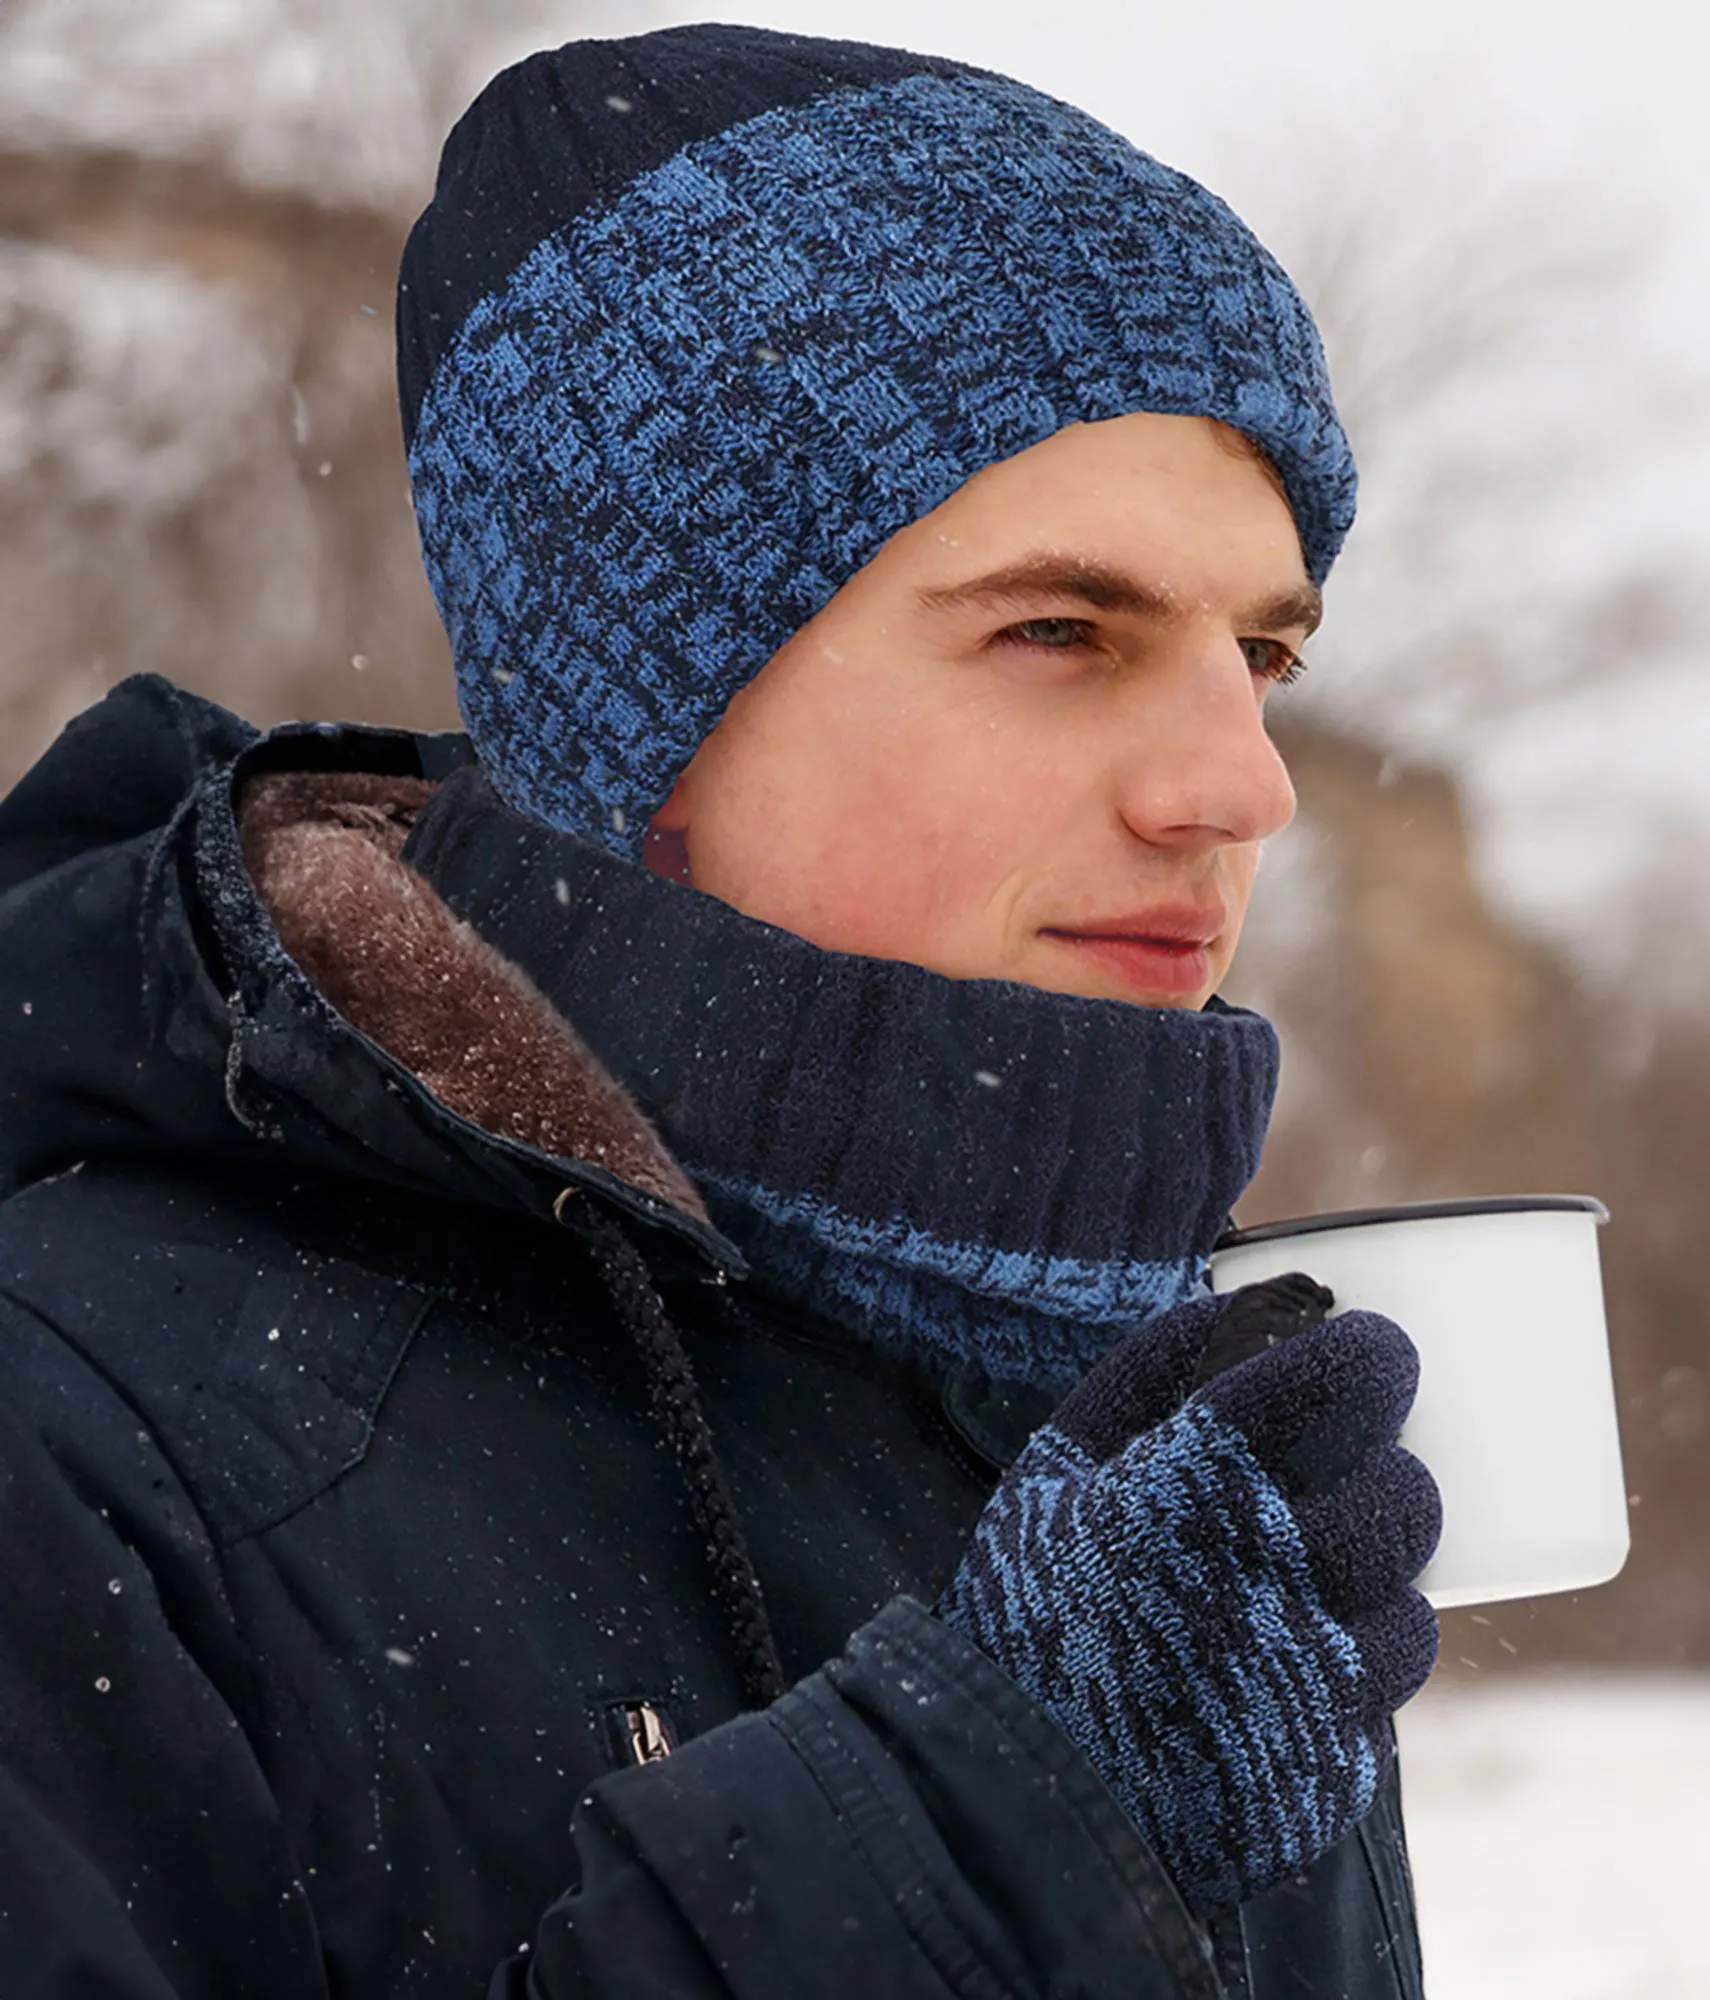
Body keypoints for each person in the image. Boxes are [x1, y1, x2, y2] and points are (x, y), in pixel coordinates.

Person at [0, 23, 1441, 1998]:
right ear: (638, 728)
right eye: (1057, 631)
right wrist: (978, 1845)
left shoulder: (1118, 1431)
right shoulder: (82, 1438)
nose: (1241, 784)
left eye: (1259, 651)